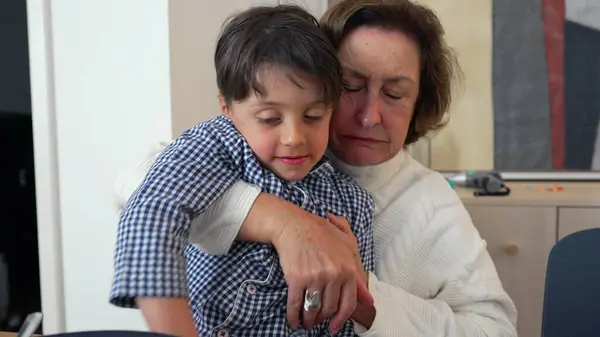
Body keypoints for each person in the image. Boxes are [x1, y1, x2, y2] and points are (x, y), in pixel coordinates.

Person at [116, 0, 519, 336]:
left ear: (419, 104)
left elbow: (495, 330)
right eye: (351, 87)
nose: (368, 116)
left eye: (395, 94)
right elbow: (140, 182)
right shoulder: (248, 147)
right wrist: (281, 221)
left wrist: (366, 296)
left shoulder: (428, 204)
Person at [109, 4, 377, 337]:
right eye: (269, 119)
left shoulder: (354, 204)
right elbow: (151, 214)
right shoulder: (216, 147)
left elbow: (354, 320)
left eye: (313, 117)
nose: (294, 138)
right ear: (227, 108)